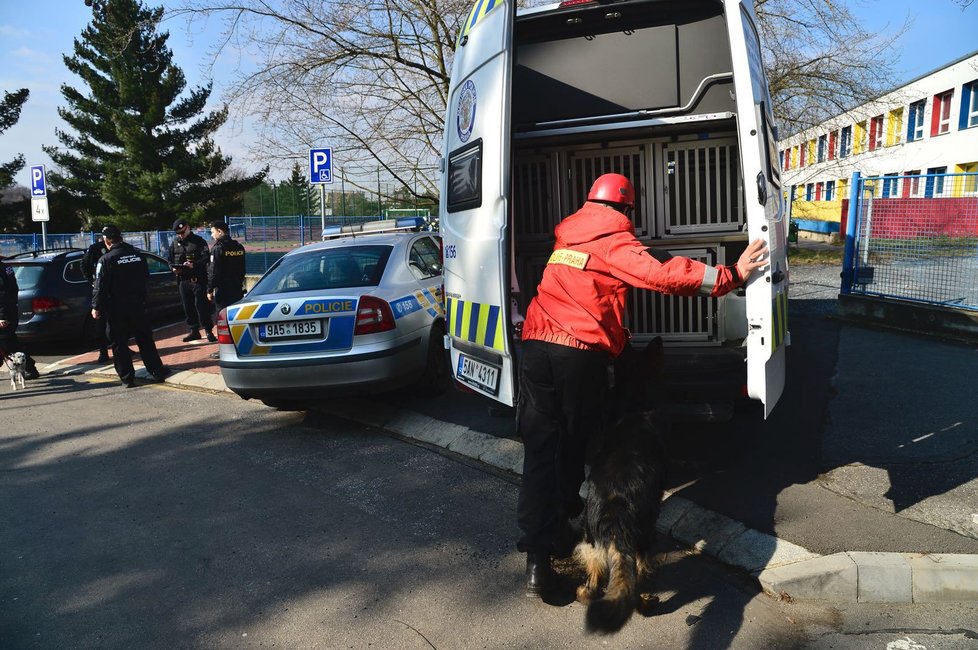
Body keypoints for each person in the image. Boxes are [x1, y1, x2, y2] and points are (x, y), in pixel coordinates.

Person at [516, 173, 769, 597]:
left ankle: (539, 560)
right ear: (627, 209)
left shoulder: (569, 236)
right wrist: (731, 274)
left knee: (540, 452)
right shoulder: (612, 238)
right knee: (575, 449)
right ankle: (565, 523)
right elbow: (665, 274)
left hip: (536, 349)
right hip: (578, 355)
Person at [91, 225, 170, 388]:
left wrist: (96, 307)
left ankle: (127, 377)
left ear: (107, 241)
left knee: (118, 343)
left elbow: (100, 287)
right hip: (137, 305)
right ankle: (156, 371)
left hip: (116, 308)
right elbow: (145, 278)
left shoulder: (105, 260)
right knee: (145, 339)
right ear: (121, 238)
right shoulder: (137, 254)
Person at [168, 218, 214, 342]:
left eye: (182, 232)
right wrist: (174, 269)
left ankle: (208, 330)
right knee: (188, 307)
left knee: (202, 307)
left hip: (197, 279)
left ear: (188, 228)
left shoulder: (199, 242)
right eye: (178, 233)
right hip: (183, 280)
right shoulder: (174, 243)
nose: (180, 235)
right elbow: (170, 260)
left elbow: (206, 259)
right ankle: (194, 330)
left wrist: (194, 265)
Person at [206, 220, 246, 359]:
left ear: (220, 231)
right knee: (235, 318)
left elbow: (214, 272)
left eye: (212, 232)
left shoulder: (218, 248)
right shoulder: (238, 247)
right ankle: (240, 344)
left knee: (222, 320)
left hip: (222, 290)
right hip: (236, 288)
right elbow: (242, 270)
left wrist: (209, 289)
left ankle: (224, 349)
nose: (212, 235)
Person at [0, 256, 40, 380]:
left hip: (5, 314)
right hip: (9, 311)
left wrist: (1, 316)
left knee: (9, 344)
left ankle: (30, 368)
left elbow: (3, 294)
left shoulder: (2, 268)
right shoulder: (5, 267)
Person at [82, 230, 111, 363]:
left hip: (115, 291)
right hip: (102, 290)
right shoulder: (96, 248)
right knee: (101, 323)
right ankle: (103, 352)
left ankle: (123, 347)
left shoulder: (118, 247)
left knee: (120, 323)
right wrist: (92, 281)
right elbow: (84, 265)